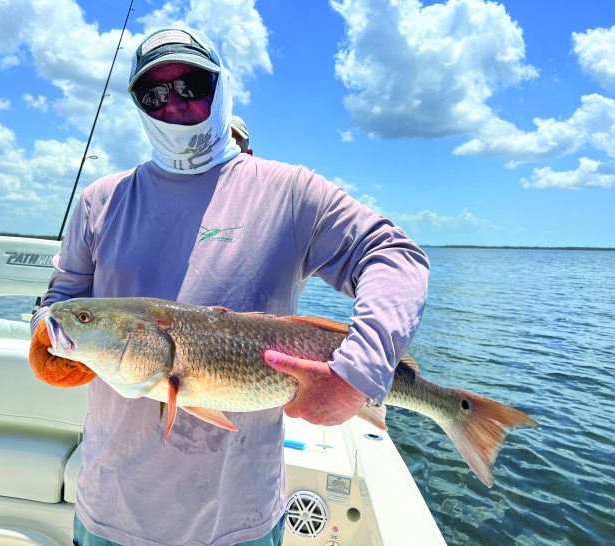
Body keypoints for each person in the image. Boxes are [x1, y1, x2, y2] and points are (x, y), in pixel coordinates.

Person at [29, 27, 429, 546]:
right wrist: (44, 333)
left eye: (190, 84)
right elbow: (60, 303)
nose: (173, 102)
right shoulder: (101, 202)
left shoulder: (289, 192)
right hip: (109, 513)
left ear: (221, 87)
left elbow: (393, 255)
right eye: (154, 92)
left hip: (240, 524)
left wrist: (362, 368)